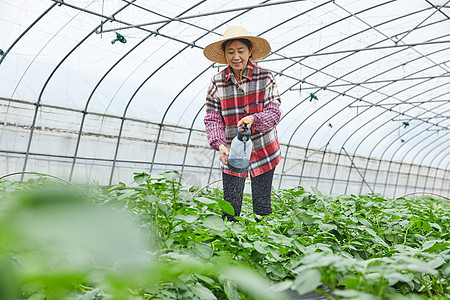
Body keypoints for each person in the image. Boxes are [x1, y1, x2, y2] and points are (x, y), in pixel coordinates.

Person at [203, 25, 281, 222]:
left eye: (240, 51)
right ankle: (229, 241)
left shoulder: (265, 78)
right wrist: (220, 145)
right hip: (233, 150)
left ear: (250, 52)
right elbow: (212, 117)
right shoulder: (217, 82)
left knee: (262, 206)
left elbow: (274, 112)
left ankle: (262, 245)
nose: (236, 57)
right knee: (230, 206)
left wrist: (254, 119)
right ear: (224, 54)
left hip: (263, 149)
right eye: (230, 52)